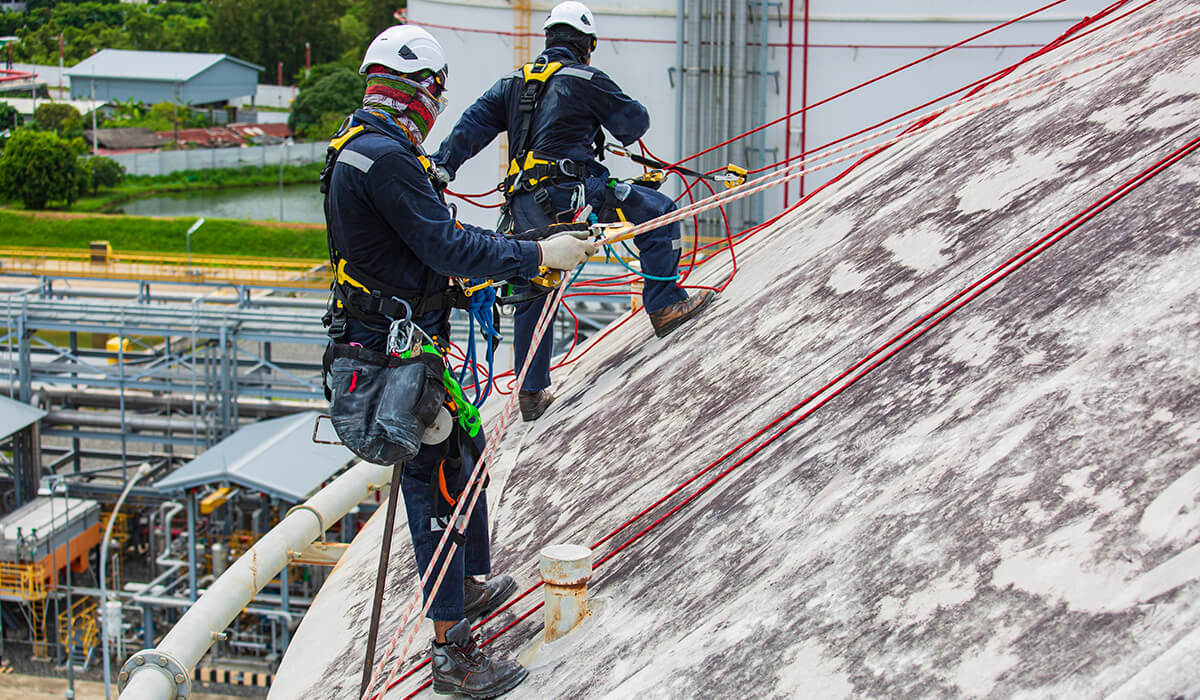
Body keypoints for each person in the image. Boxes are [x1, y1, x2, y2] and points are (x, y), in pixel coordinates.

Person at [323, 25, 595, 698]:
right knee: (437, 485)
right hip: (397, 356)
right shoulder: (387, 159)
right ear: (421, 92)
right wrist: (536, 255)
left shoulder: (355, 148)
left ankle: (468, 588)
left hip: (393, 342)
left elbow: (416, 246)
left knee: (466, 450)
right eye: (435, 97)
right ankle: (452, 650)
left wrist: (493, 258)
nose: (437, 111)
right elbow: (443, 246)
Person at [432, 0, 716, 422]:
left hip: (525, 201)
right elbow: (633, 124)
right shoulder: (585, 78)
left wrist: (442, 168)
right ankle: (665, 304)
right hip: (578, 194)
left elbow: (471, 126)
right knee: (660, 211)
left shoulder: (512, 82)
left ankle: (531, 393)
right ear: (588, 45)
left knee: (534, 282)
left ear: (548, 39)